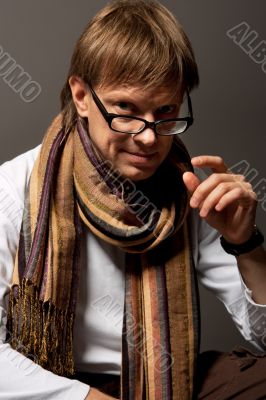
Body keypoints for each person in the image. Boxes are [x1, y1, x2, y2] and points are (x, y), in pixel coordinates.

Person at [0, 0, 266, 399]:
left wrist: (245, 243)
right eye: (126, 109)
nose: (148, 137)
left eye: (165, 111)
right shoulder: (14, 188)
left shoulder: (190, 191)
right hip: (53, 386)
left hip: (164, 382)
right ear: (81, 95)